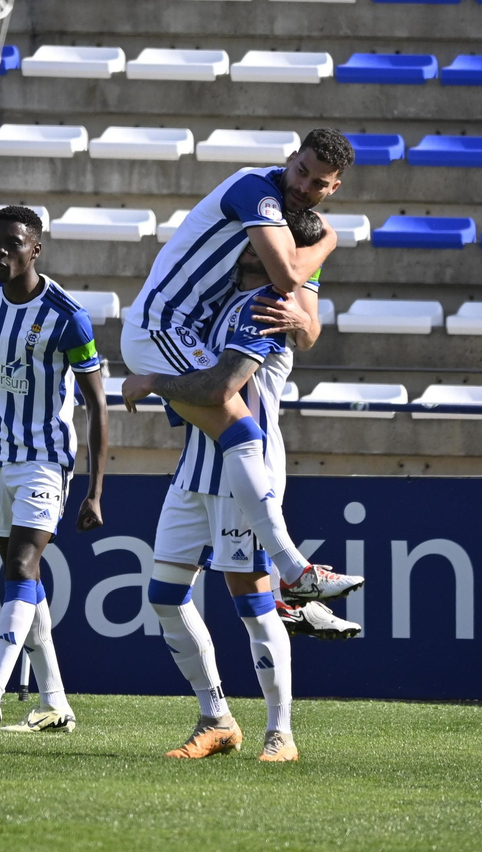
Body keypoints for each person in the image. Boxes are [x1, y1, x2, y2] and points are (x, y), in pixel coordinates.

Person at [124, 209, 353, 763]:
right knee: (164, 597)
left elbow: (220, 388)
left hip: (243, 468)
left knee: (252, 604)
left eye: (264, 238)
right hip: (196, 464)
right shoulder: (217, 292)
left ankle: (281, 733)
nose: (252, 241)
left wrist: (152, 380)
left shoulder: (269, 304)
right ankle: (217, 718)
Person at [119, 129, 361, 604]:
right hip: (164, 325)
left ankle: (289, 594)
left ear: (334, 188)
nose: (303, 185)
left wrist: (301, 317)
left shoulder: (299, 236)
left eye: (317, 183)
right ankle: (293, 576)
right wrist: (332, 239)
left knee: (181, 596)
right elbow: (287, 275)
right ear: (290, 158)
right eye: (301, 171)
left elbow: (307, 330)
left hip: (190, 343)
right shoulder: (258, 193)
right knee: (241, 434)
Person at [0, 205, 108, 735]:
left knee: (20, 565)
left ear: (35, 250)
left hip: (45, 460)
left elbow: (97, 405)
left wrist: (94, 490)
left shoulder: (68, 317)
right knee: (24, 580)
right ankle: (56, 702)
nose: (0, 251)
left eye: (12, 243)